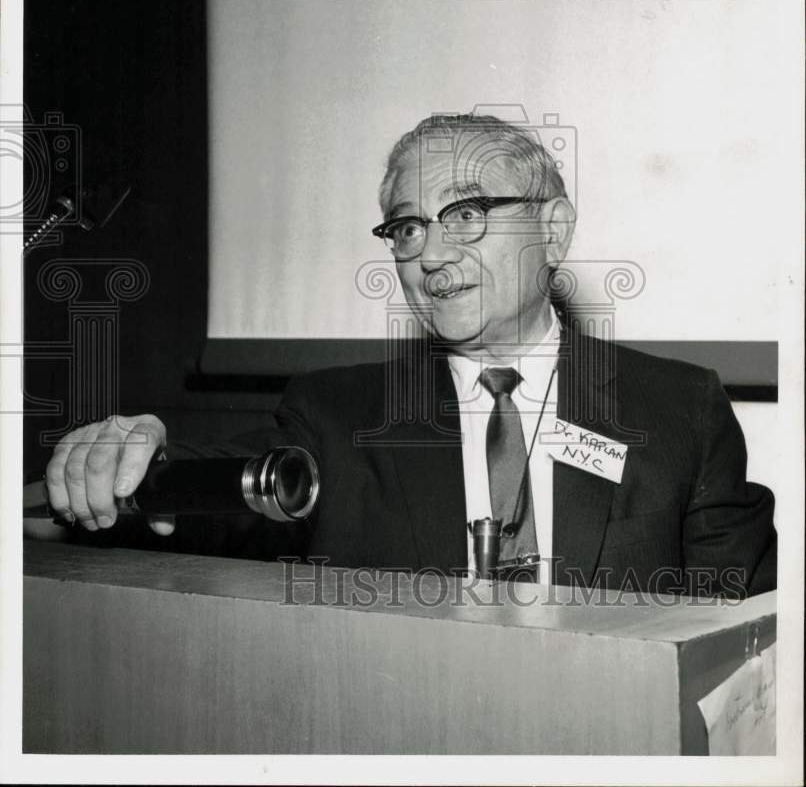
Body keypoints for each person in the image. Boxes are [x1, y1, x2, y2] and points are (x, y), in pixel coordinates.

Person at [42, 114, 777, 596]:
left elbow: (738, 631)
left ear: (553, 231)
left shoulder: (681, 409)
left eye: (465, 215)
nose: (429, 253)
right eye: (406, 229)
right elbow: (220, 501)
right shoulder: (333, 414)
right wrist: (131, 469)